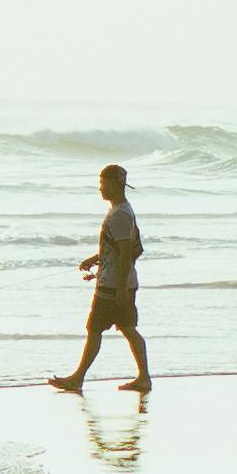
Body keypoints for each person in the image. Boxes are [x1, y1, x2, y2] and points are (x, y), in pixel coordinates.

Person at [54, 162, 149, 394]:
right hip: (118, 282)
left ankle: (77, 378)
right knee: (127, 328)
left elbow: (126, 253)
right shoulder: (121, 210)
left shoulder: (120, 214)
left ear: (116, 184)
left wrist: (120, 287)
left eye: (103, 183)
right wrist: (94, 259)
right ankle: (143, 378)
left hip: (113, 285)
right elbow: (117, 248)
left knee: (95, 329)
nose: (100, 188)